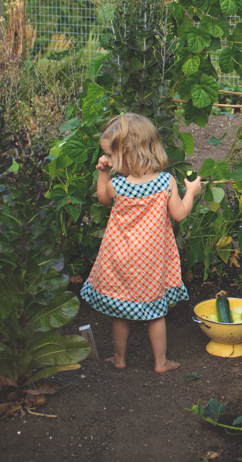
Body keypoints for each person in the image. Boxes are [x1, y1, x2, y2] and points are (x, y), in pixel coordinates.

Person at [81, 112, 201, 372]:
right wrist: (191, 192)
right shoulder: (164, 182)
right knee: (156, 312)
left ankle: (119, 359)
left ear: (128, 153)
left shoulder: (119, 185)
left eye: (111, 156)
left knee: (120, 310)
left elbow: (103, 197)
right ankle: (161, 362)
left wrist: (102, 174)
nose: (107, 160)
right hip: (150, 260)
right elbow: (179, 214)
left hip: (120, 259)